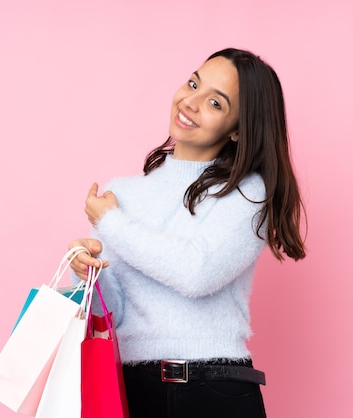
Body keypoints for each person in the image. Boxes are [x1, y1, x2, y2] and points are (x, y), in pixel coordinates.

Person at [69, 47, 306, 418]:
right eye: (193, 83)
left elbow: (197, 273)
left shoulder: (248, 192)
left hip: (212, 391)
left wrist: (113, 224)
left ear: (238, 129)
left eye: (214, 103)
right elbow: (112, 312)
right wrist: (86, 272)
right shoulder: (123, 194)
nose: (190, 102)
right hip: (132, 389)